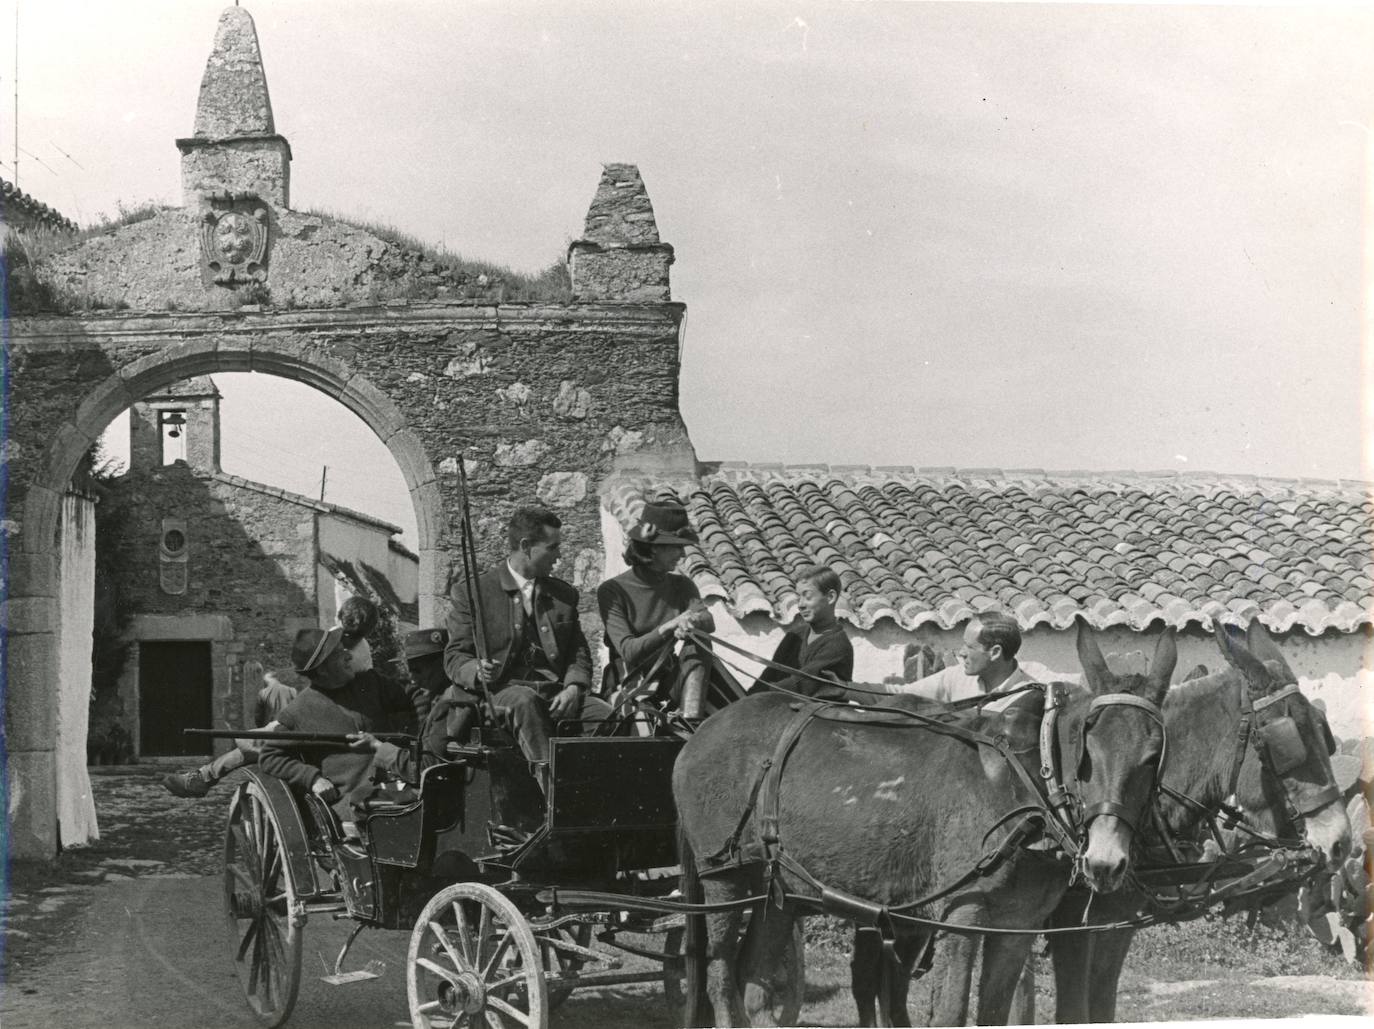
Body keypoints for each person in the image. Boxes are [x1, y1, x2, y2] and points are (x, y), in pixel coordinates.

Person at [443, 506, 610, 774]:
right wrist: (475, 669)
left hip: (555, 693)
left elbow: (578, 653)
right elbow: (454, 657)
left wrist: (574, 688)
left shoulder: (563, 595)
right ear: (526, 546)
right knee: (524, 702)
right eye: (552, 547)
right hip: (500, 695)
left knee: (604, 715)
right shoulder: (473, 592)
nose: (559, 555)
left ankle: (593, 791)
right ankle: (553, 793)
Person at [259, 626, 423, 820]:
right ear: (322, 670)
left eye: (344, 649)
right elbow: (270, 757)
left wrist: (415, 736)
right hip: (353, 806)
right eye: (339, 653)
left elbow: (413, 702)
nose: (349, 656)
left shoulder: (372, 683)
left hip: (401, 788)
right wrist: (312, 778)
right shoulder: (298, 712)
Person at [596, 501, 717, 718]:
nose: (682, 554)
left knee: (700, 641)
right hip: (629, 684)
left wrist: (692, 622)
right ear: (653, 548)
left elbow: (709, 621)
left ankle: (691, 719)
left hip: (670, 681)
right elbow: (629, 651)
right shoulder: (612, 590)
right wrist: (671, 626)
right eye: (676, 547)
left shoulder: (682, 585)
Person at [161, 669, 298, 798]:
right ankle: (203, 776)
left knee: (253, 746)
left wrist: (260, 728)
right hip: (289, 727)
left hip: (287, 734)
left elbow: (259, 715)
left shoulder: (265, 692)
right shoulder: (292, 691)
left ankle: (204, 777)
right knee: (262, 741)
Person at [752, 565, 855, 702]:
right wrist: (746, 698)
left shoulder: (838, 645)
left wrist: (758, 696)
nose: (800, 604)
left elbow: (802, 683)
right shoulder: (795, 635)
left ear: (830, 597)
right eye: (799, 597)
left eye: (807, 597)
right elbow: (769, 674)